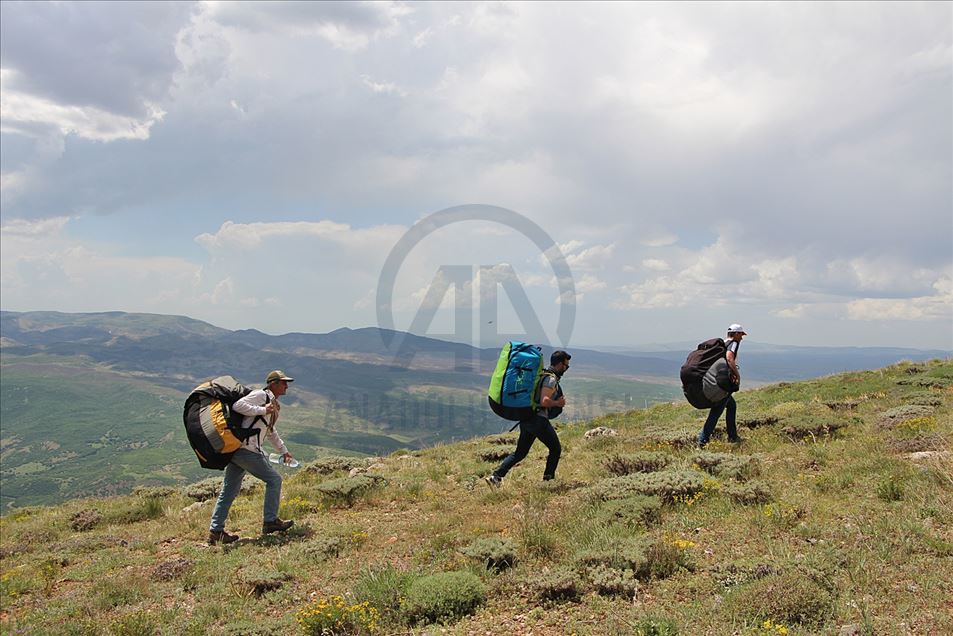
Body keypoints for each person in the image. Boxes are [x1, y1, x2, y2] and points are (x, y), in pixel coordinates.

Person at [208, 370, 297, 544]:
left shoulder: (271, 403)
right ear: (273, 383)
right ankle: (270, 521)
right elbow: (238, 406)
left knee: (229, 490)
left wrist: (283, 451)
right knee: (274, 480)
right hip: (246, 450)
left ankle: (215, 531)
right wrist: (263, 409)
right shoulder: (260, 395)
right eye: (283, 382)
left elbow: (269, 431)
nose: (286, 386)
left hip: (238, 450)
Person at [486, 350, 571, 486]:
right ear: (560, 364)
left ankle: (496, 476)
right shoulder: (550, 379)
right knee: (555, 449)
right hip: (538, 420)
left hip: (527, 418)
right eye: (566, 366)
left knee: (520, 453)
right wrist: (557, 403)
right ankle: (548, 482)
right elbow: (544, 401)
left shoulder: (541, 374)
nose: (566, 369)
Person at [697, 325, 745, 447]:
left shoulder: (721, 344)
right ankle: (702, 441)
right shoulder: (733, 343)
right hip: (722, 385)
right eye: (741, 335)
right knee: (716, 412)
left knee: (732, 405)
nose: (742, 338)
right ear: (735, 334)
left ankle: (732, 435)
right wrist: (736, 374)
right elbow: (729, 358)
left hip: (715, 382)